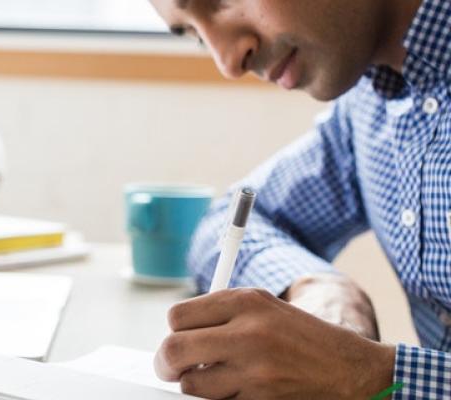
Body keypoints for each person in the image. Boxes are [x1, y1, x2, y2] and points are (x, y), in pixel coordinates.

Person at [148, 0, 450, 398]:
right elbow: (227, 222)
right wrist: (322, 289)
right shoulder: (367, 107)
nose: (228, 62)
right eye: (194, 35)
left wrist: (368, 374)